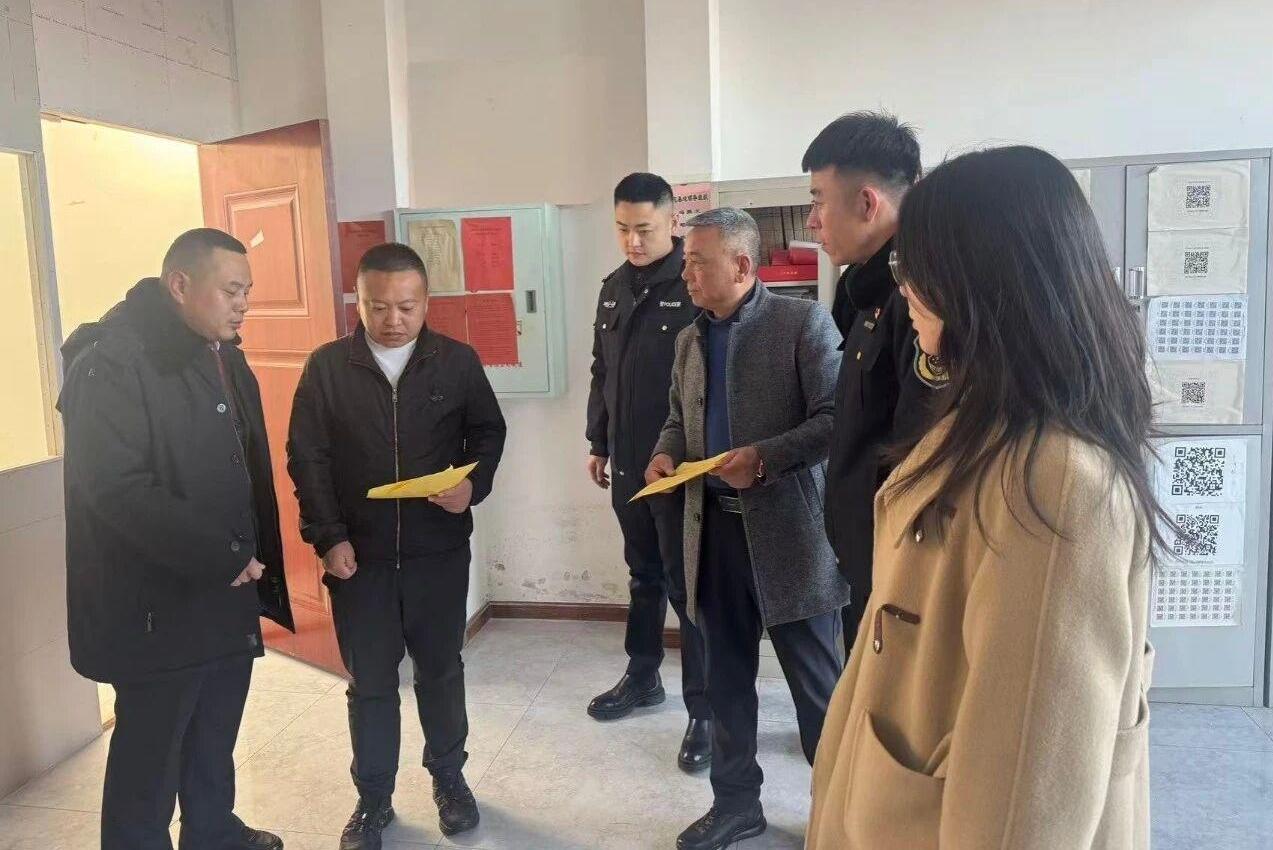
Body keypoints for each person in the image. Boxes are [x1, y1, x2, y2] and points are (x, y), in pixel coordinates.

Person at [807, 146, 1164, 849]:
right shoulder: (986, 424)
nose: (905, 290)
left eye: (914, 267)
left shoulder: (1053, 480)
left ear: (979, 281)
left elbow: (1026, 790)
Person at [58, 228, 293, 850]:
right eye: (231, 290)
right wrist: (225, 554)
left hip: (225, 589)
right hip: (155, 607)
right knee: (151, 754)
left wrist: (247, 561)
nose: (243, 305)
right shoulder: (111, 362)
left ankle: (213, 832)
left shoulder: (222, 353)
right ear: (180, 284)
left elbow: (240, 465)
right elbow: (116, 490)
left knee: (214, 730)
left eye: (247, 291)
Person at [287, 243, 506, 848]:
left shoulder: (456, 362)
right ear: (358, 302)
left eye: (406, 306)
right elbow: (307, 459)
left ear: (426, 301)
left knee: (441, 671)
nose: (392, 320)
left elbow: (488, 432)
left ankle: (449, 780)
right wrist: (329, 538)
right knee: (371, 683)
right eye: (378, 306)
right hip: (360, 560)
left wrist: (473, 485)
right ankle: (373, 799)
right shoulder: (327, 368)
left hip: (438, 553)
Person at [647, 208, 848, 850]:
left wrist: (764, 458)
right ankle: (736, 804)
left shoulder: (801, 324)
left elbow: (837, 419)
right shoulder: (689, 340)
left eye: (696, 263)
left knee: (820, 692)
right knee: (725, 681)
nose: (686, 274)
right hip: (712, 539)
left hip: (792, 538)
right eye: (685, 262)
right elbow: (677, 420)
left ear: (740, 265)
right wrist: (665, 454)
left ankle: (846, 814)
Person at [804, 111, 948, 657]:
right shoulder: (865, 289)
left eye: (818, 201)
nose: (812, 222)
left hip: (899, 569)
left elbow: (919, 449)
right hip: (864, 555)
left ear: (867, 203)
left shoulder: (920, 297)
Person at [586, 172, 712, 770]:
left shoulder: (693, 283)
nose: (632, 241)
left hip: (680, 465)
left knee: (689, 587)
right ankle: (643, 677)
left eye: (644, 229)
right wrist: (598, 442)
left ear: (672, 222)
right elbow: (601, 371)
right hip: (628, 461)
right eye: (622, 229)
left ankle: (704, 711)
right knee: (643, 575)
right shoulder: (613, 288)